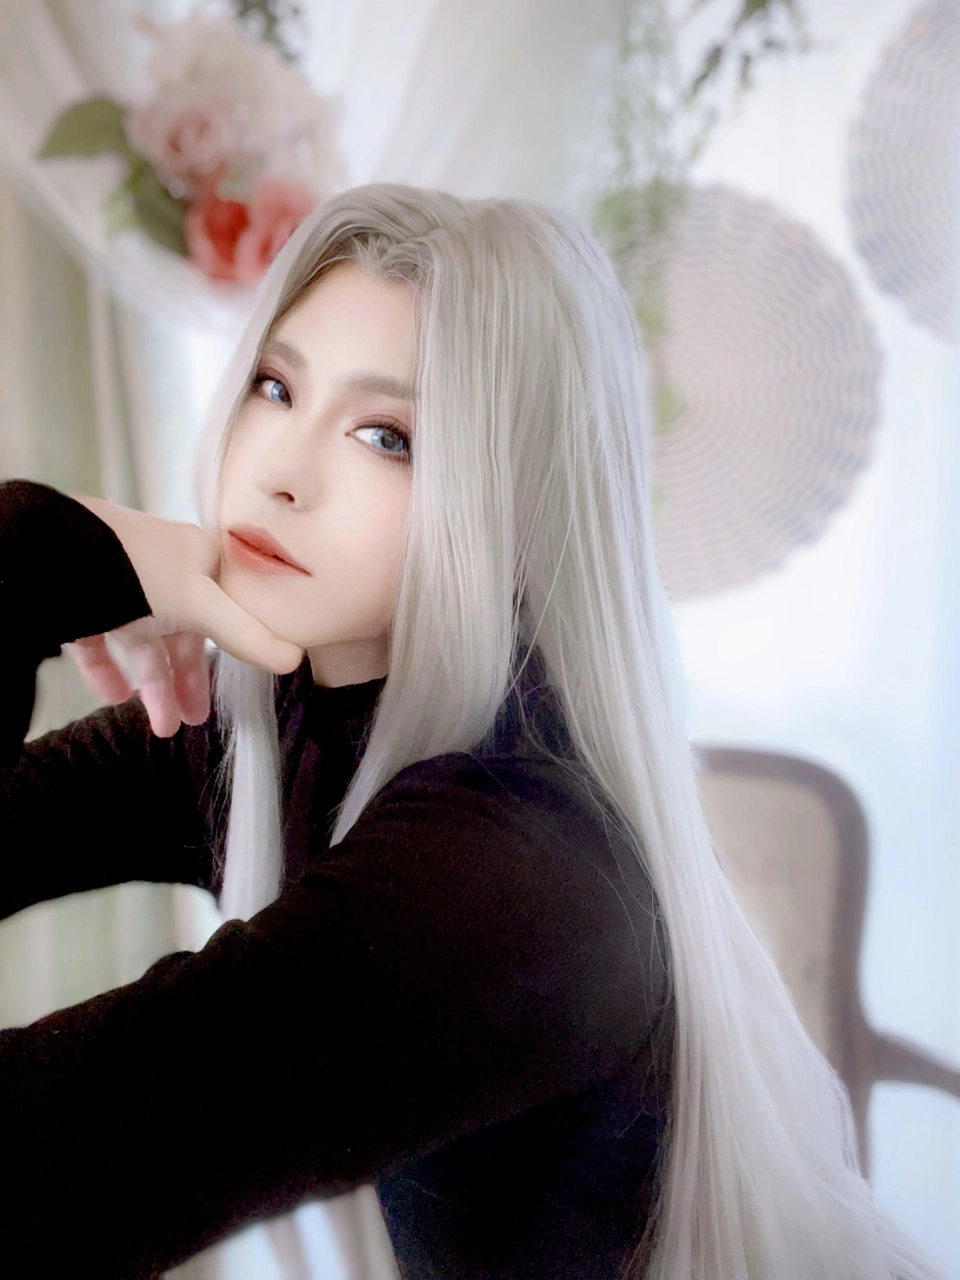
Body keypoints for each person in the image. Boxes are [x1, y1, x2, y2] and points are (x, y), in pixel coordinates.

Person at [0, 184, 946, 1280]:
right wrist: (53, 561)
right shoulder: (264, 720)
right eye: (276, 385)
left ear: (513, 494)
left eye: (386, 436)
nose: (281, 471)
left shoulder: (510, 869)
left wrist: (28, 556)